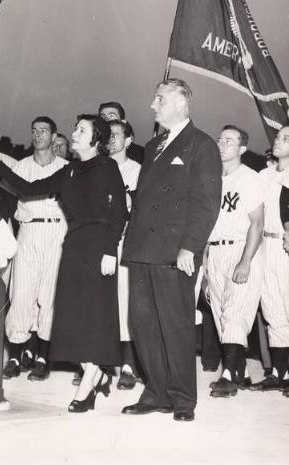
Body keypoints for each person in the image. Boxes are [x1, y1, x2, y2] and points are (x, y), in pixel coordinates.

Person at [0, 114, 128, 412]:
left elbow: (118, 212)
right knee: (68, 319)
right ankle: (96, 371)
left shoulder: (107, 167)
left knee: (92, 318)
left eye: (82, 129)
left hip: (99, 250)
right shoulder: (69, 171)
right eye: (76, 128)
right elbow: (29, 188)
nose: (75, 133)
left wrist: (109, 251)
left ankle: (89, 381)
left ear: (96, 139)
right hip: (73, 248)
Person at [122, 79, 221, 422]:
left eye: (160, 99)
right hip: (142, 250)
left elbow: (206, 204)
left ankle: (182, 399)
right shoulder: (153, 147)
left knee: (175, 325)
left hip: (173, 251)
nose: (153, 105)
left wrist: (190, 248)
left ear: (182, 101)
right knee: (143, 324)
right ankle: (156, 392)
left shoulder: (202, 145)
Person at [1, 116, 68, 382]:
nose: (38, 135)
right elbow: (6, 200)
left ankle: (43, 358)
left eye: (44, 131)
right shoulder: (20, 166)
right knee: (22, 293)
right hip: (28, 230)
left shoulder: (66, 168)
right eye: (34, 131)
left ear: (54, 137)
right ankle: (16, 356)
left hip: (58, 231)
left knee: (50, 294)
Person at [206, 126, 264, 398]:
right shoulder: (212, 179)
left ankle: (228, 376)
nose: (222, 144)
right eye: (220, 139)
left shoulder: (249, 178)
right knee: (221, 315)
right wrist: (206, 268)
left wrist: (245, 261)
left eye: (230, 140)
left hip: (241, 248)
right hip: (215, 252)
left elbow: (257, 222)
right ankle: (239, 372)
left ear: (242, 149)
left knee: (235, 313)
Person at [250, 124, 289, 394]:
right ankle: (278, 372)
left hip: (286, 246)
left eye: (286, 138)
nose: (278, 141)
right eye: (278, 136)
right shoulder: (262, 175)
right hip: (266, 245)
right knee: (272, 310)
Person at [107, 119, 141, 389]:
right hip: (98, 243)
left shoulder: (137, 171)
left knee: (124, 303)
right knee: (100, 303)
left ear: (128, 141)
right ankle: (101, 366)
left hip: (124, 243)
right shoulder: (97, 168)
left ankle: (129, 366)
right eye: (108, 135)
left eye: (117, 135)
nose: (111, 139)